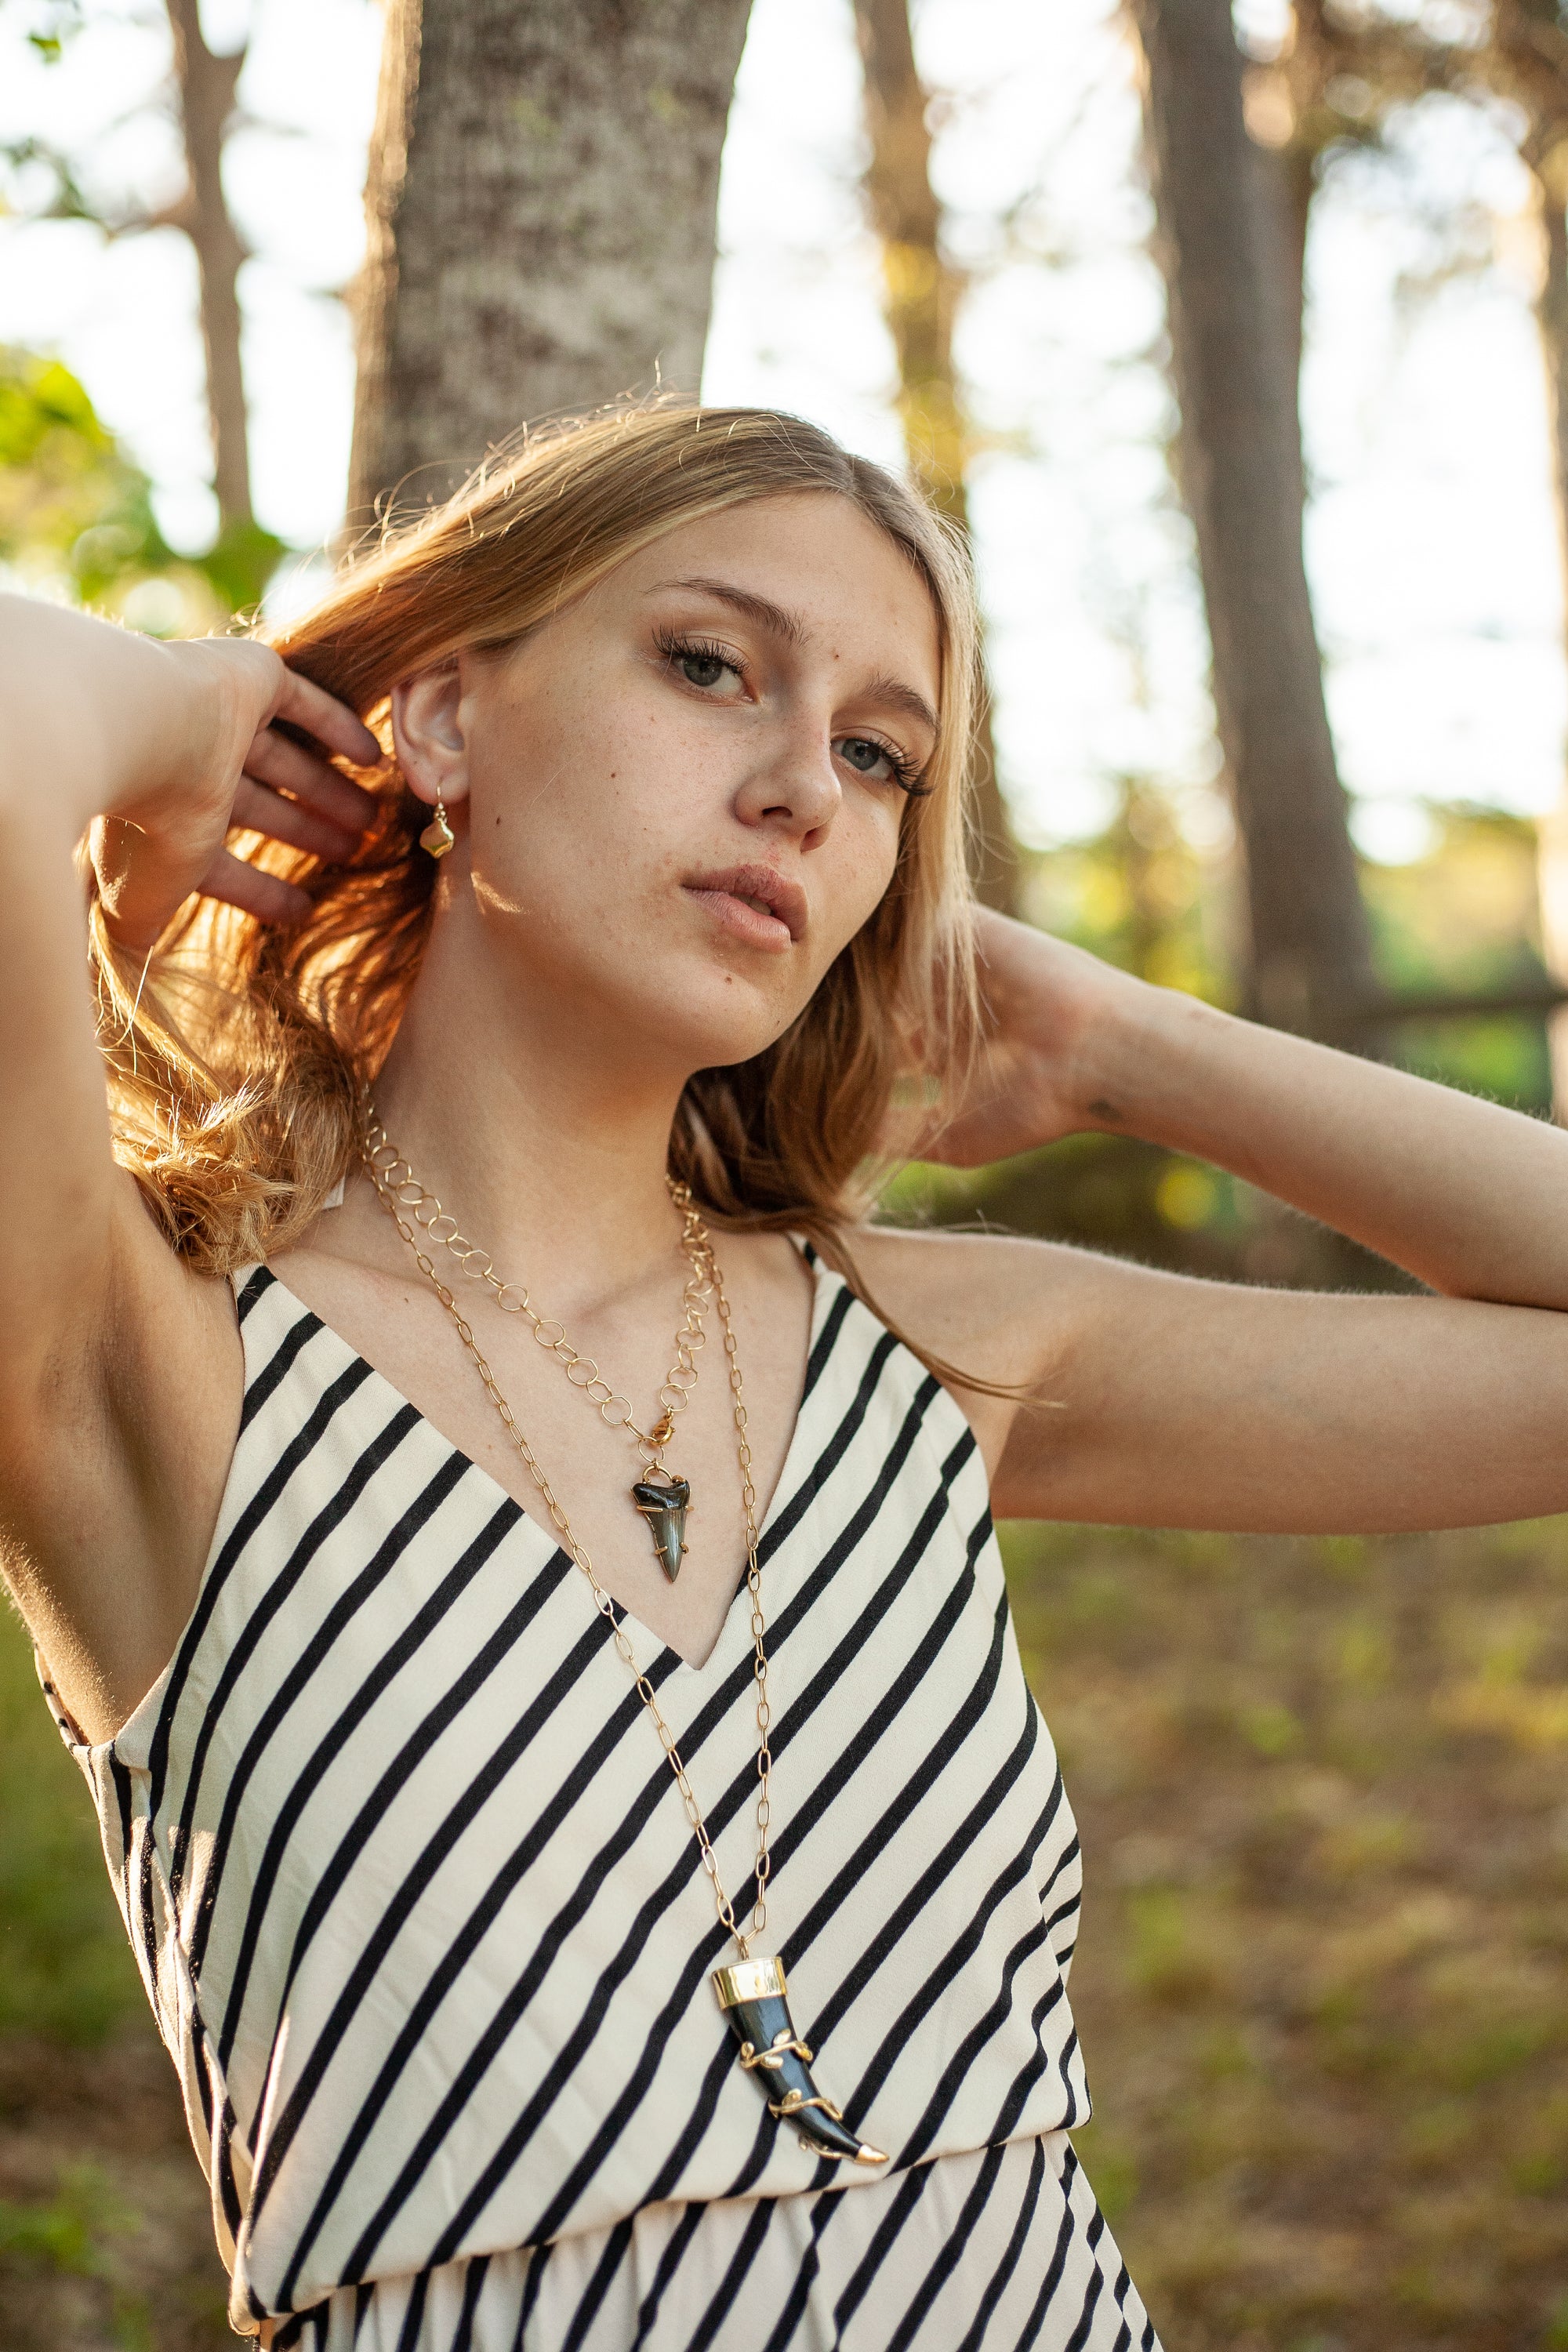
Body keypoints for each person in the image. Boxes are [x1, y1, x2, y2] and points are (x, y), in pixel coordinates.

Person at [2, 403, 1566, 2352]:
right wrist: (188, 712)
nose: (802, 791)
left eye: (879, 756)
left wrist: (1106, 1036)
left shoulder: (932, 1351)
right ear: (445, 717)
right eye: (708, 665)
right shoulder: (145, 1371)